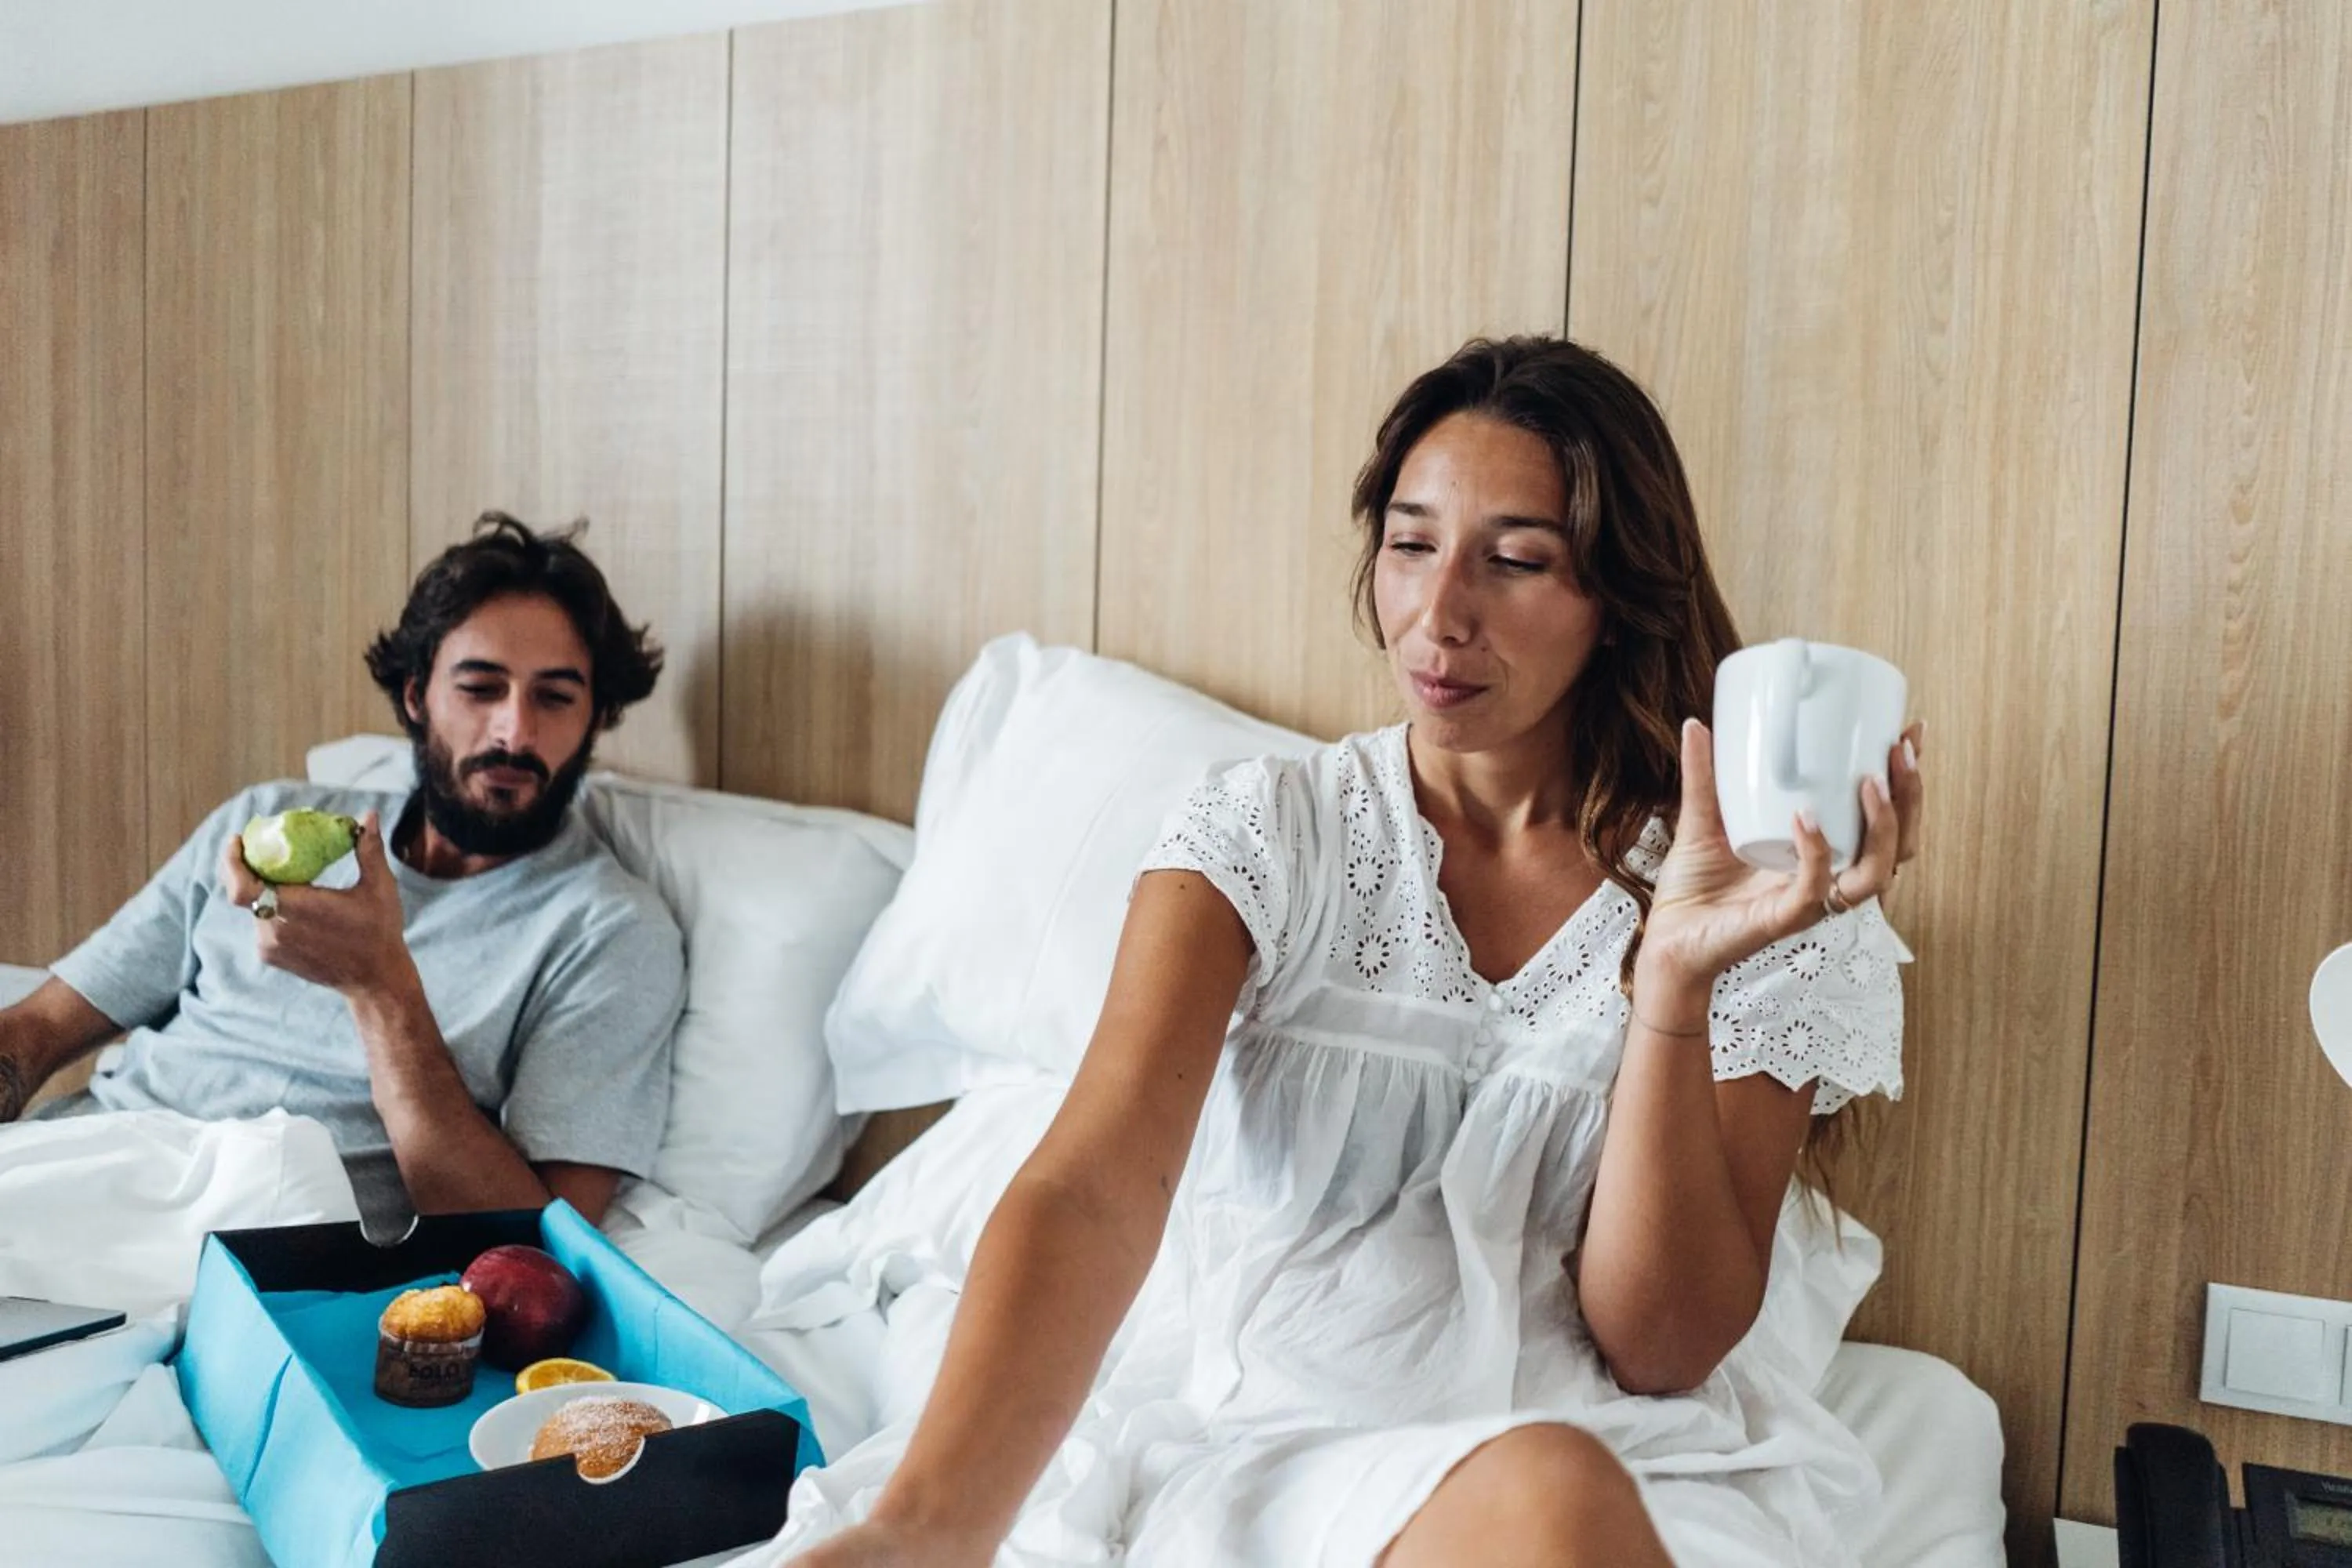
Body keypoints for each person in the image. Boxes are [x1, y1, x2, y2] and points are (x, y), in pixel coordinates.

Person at [771, 337, 1927, 1566]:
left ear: (1619, 598)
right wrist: (924, 1527)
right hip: (1276, 1445)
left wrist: (1678, 983)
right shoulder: (1267, 833)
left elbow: (1662, 1344)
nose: (1440, 617)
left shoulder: (1756, 895)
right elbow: (1096, 1182)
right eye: (1412, 544)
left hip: (1616, 1470)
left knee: (1552, 1488)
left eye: (1517, 561)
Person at [0, 514, 686, 1232]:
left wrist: (380, 988)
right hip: (82, 1162)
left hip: (253, 1245)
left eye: (554, 697)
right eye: (481, 689)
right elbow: (44, 1022)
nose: (515, 732)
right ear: (418, 697)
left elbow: (540, 1246)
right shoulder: (269, 820)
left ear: (598, 717)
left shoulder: (610, 931)